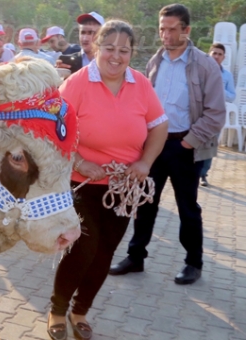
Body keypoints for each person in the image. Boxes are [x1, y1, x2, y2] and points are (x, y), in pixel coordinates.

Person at [47, 20, 168, 340]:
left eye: (124, 50)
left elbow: (159, 126)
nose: (116, 56)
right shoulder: (76, 83)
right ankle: (58, 309)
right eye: (110, 48)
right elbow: (54, 131)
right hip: (80, 183)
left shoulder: (140, 83)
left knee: (105, 252)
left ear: (132, 53)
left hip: (123, 186)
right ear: (97, 48)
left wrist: (145, 162)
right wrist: (80, 161)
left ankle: (81, 311)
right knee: (83, 248)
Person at [109, 4, 226, 286]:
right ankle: (135, 257)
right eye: (162, 28)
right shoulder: (155, 62)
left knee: (188, 208)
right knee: (145, 203)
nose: (166, 34)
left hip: (185, 147)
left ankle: (193, 263)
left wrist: (188, 142)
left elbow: (216, 112)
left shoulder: (205, 65)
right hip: (154, 147)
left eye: (172, 29)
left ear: (187, 30)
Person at [200, 43, 236, 186]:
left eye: (219, 54)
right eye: (214, 53)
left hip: (215, 116)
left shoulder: (227, 76)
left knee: (210, 145)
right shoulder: (200, 71)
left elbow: (232, 96)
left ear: (223, 57)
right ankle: (188, 173)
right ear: (209, 54)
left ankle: (203, 174)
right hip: (198, 113)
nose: (216, 56)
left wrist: (219, 86)